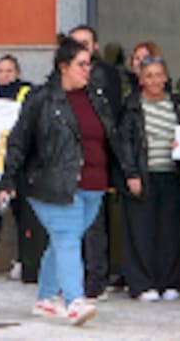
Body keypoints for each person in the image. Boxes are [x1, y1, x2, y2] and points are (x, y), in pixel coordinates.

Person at [0, 37, 138, 327]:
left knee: (63, 240)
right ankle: (75, 300)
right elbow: (18, 140)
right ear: (64, 67)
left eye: (89, 65)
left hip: (94, 183)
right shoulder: (41, 99)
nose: (88, 70)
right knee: (67, 237)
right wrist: (8, 178)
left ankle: (45, 298)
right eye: (81, 65)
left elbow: (112, 138)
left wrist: (128, 171)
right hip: (53, 183)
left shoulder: (96, 97)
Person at [119, 55, 180, 302]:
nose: (154, 80)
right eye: (149, 75)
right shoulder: (131, 105)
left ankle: (169, 282)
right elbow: (125, 144)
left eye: (159, 74)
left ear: (166, 77)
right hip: (143, 174)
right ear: (140, 79)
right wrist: (131, 174)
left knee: (170, 232)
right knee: (141, 231)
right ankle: (143, 284)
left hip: (171, 174)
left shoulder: (178, 103)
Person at [66, 24, 122, 299]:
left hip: (95, 160)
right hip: (67, 162)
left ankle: (96, 280)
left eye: (85, 43)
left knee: (93, 224)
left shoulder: (105, 75)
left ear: (95, 46)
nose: (81, 49)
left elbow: (109, 119)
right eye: (75, 43)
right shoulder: (62, 76)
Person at [0, 55, 34, 281]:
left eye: (9, 71)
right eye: (1, 71)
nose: (5, 75)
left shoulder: (28, 92)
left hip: (21, 161)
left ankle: (24, 260)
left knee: (23, 214)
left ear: (17, 72)